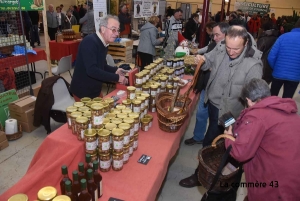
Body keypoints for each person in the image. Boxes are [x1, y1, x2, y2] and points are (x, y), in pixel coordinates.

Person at [179, 25, 263, 188]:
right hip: (213, 104)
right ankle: (205, 174)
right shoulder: (221, 47)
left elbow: (255, 98)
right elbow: (208, 59)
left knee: (220, 144)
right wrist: (201, 60)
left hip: (231, 113)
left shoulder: (253, 64)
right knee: (213, 142)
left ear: (245, 44)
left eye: (235, 49)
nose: (230, 52)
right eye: (228, 47)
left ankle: (213, 179)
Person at [225, 78, 300, 201]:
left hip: (276, 185)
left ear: (248, 100)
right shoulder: (288, 111)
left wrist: (229, 138)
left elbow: (240, 153)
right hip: (294, 179)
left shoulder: (257, 116)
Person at [185, 22, 229, 146]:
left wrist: (212, 68)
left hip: (220, 93)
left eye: (217, 35)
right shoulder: (215, 44)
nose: (214, 38)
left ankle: (213, 145)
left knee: (216, 121)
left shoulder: (229, 50)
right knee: (201, 114)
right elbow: (207, 55)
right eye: (213, 35)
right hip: (207, 87)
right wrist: (199, 57)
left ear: (226, 35)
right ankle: (198, 137)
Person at [70, 15, 128, 100]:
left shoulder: (104, 43)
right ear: (103, 29)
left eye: (118, 30)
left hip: (95, 90)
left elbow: (101, 65)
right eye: (113, 30)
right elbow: (92, 70)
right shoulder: (90, 42)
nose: (116, 34)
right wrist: (117, 78)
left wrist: (115, 70)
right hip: (83, 93)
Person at [267, 18, 300, 98]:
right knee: (287, 101)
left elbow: (271, 57)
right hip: (294, 77)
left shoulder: (283, 37)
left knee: (272, 97)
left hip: (278, 73)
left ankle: (270, 110)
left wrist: (276, 68)